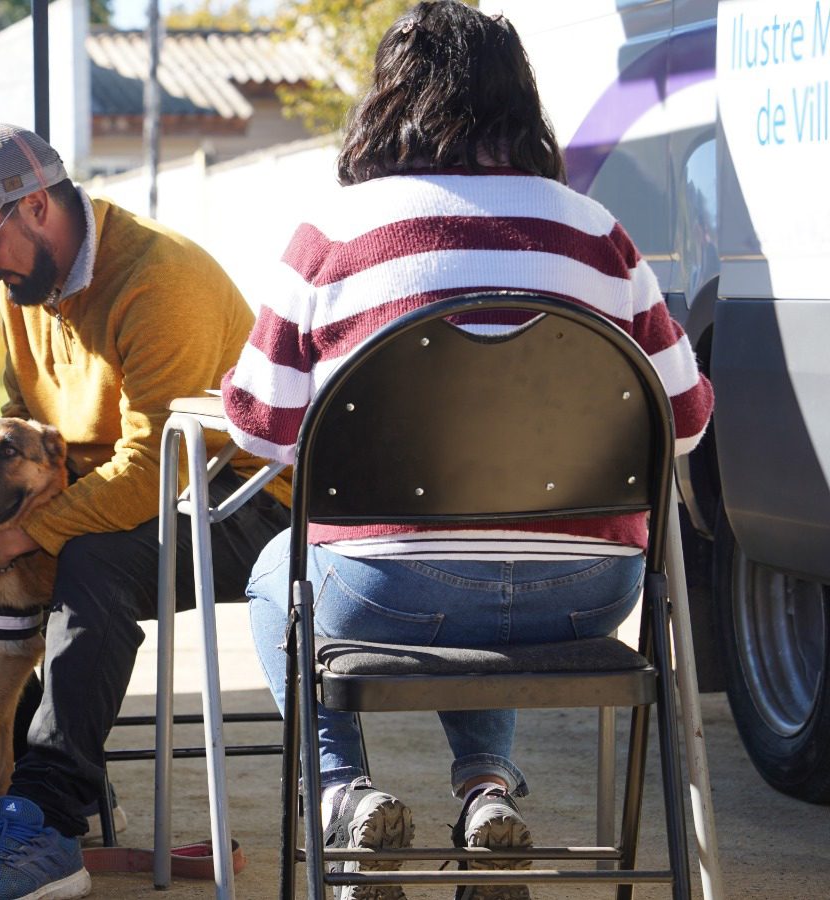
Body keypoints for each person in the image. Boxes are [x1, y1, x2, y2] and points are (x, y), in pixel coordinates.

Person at [220, 4, 714, 899]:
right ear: (521, 102)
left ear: (388, 99)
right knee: (490, 549)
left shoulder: (333, 234)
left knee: (273, 573)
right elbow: (684, 420)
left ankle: (343, 795)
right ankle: (486, 796)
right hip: (588, 594)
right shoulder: (599, 234)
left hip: (387, 590)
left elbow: (258, 422)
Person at [0, 121, 291, 900]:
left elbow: (153, 466)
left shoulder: (159, 279)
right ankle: (23, 796)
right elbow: (28, 409)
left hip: (247, 496)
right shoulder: (27, 284)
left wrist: (23, 533)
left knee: (89, 561)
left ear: (38, 206)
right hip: (132, 488)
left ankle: (45, 827)